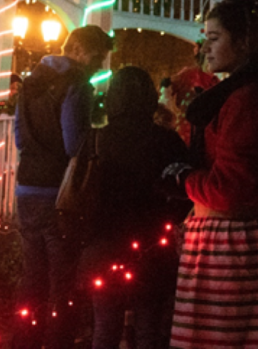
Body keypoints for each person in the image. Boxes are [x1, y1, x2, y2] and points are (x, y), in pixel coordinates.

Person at [163, 0, 258, 349]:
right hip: (228, 245)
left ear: (245, 42)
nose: (204, 46)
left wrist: (182, 179)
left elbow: (231, 189)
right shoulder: (241, 94)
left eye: (215, 37)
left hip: (237, 252)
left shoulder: (246, 101)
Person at [12, 24, 113, 349]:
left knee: (31, 279)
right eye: (98, 57)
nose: (99, 66)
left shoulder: (31, 80)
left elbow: (17, 135)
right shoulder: (77, 84)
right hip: (58, 193)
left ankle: (23, 343)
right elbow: (74, 144)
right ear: (80, 50)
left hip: (26, 186)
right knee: (62, 285)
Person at [81, 66, 190, 349]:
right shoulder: (166, 140)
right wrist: (170, 218)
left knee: (105, 327)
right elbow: (188, 188)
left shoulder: (96, 139)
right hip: (152, 244)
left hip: (103, 243)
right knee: (150, 329)